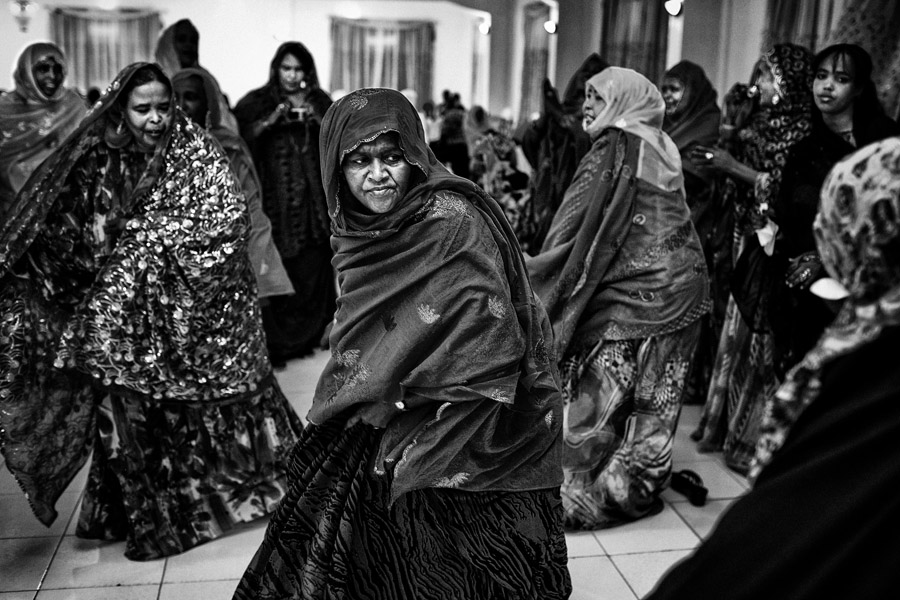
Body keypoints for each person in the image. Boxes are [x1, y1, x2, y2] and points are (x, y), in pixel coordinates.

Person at [232, 88, 571, 599]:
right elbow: (364, 333)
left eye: (392, 157)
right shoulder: (354, 233)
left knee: (444, 539)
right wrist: (383, 391)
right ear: (334, 170)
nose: (378, 174)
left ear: (415, 153)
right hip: (376, 402)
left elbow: (493, 331)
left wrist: (419, 401)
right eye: (359, 161)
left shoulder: (450, 219)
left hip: (463, 411)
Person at [0, 63, 303, 561]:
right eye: (144, 109)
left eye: (165, 107)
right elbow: (68, 226)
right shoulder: (98, 158)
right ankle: (127, 518)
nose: (157, 119)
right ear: (122, 108)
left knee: (177, 416)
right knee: (123, 419)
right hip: (119, 324)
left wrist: (148, 243)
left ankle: (169, 526)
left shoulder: (195, 153)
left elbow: (227, 220)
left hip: (179, 319)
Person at [645, 135, 900, 600]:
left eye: (838, 210)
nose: (823, 225)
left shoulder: (873, 361)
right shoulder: (870, 330)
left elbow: (798, 521)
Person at [526, 67, 710, 529]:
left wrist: (533, 273)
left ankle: (580, 498)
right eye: (586, 95)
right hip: (687, 288)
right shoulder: (660, 142)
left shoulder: (613, 148)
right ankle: (637, 488)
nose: (588, 105)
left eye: (598, 96)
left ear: (624, 101)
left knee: (598, 391)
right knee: (657, 401)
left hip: (637, 293)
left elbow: (571, 224)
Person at [689, 43, 814, 474]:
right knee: (734, 332)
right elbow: (727, 151)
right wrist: (732, 122)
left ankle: (752, 435)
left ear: (786, 83)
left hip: (774, 244)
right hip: (743, 234)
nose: (758, 83)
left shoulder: (802, 130)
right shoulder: (757, 121)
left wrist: (734, 167)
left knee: (760, 341)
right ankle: (723, 425)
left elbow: (781, 189)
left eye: (767, 76)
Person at [769, 43, 900, 372]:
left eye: (840, 78)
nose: (826, 86)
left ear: (857, 89)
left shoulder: (883, 141)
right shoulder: (803, 151)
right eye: (821, 76)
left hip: (876, 282)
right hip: (814, 288)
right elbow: (789, 216)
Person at [234, 42, 335, 365]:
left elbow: (339, 138)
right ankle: (281, 343)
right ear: (276, 68)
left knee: (314, 266)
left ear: (307, 72)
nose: (292, 76)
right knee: (282, 268)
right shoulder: (258, 102)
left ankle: (314, 334)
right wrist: (271, 121)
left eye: (298, 69)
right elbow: (240, 140)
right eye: (286, 68)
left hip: (313, 204)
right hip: (276, 202)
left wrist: (318, 121)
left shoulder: (320, 102)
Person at [172, 67, 294, 299]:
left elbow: (251, 212)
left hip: (220, 269)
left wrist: (262, 271)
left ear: (208, 105)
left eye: (190, 97)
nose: (181, 106)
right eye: (174, 98)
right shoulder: (151, 151)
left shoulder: (229, 149)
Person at [660, 61, 723, 405]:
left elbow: (698, 174)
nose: (668, 96)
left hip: (698, 224)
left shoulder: (706, 123)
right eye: (665, 88)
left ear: (692, 92)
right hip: (667, 223)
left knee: (688, 301)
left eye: (675, 89)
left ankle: (688, 382)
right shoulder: (666, 124)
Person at [520, 53, 609, 254]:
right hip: (551, 195)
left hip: (579, 198)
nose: (586, 101)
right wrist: (546, 120)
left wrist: (571, 127)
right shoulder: (561, 113)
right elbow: (532, 145)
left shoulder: (606, 119)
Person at [0, 42, 87, 212]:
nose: (52, 76)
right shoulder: (4, 110)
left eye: (58, 69)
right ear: (26, 72)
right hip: (10, 208)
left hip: (62, 207)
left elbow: (86, 152)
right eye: (43, 69)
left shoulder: (72, 106)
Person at [154, 18, 239, 134]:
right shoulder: (153, 80)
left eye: (193, 41)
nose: (188, 45)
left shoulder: (205, 80)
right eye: (182, 39)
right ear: (168, 43)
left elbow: (224, 123)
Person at [467, 104, 531, 242]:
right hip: (509, 191)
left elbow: (475, 169)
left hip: (488, 191)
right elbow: (514, 161)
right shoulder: (502, 138)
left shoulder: (478, 142)